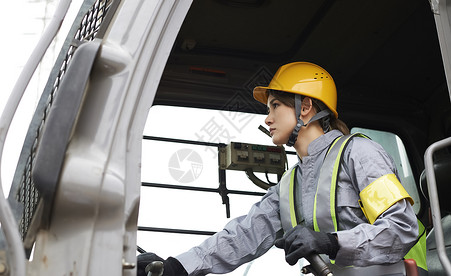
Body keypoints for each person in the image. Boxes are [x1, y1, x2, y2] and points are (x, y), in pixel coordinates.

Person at [137, 62, 426, 276]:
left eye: (275, 106)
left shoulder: (360, 154)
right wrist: (176, 267)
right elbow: (243, 235)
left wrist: (330, 242)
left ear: (305, 108)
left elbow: (401, 228)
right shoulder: (289, 185)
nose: (268, 119)